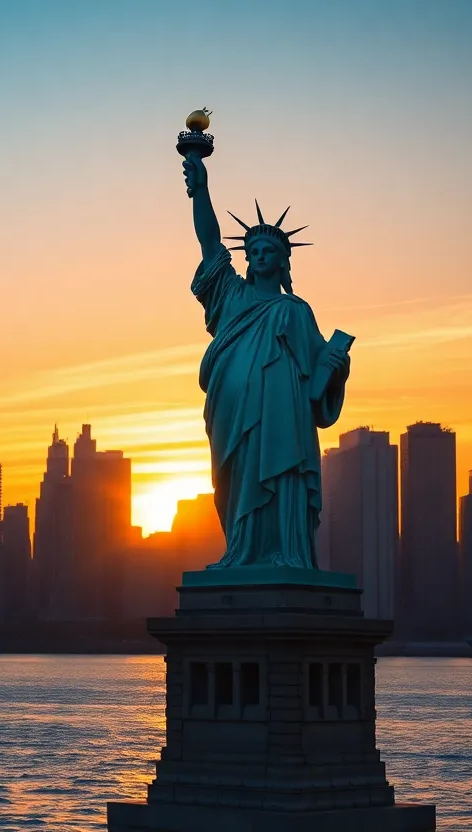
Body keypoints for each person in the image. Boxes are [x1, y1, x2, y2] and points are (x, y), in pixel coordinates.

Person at [182, 153, 350, 569]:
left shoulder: (296, 311)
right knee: (237, 481)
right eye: (252, 249)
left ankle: (283, 552)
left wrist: (336, 370)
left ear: (282, 260)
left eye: (267, 250)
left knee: (281, 473)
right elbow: (208, 241)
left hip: (282, 417)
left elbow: (317, 378)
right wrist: (201, 189)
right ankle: (241, 551)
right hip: (232, 411)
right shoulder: (231, 295)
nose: (258, 254)